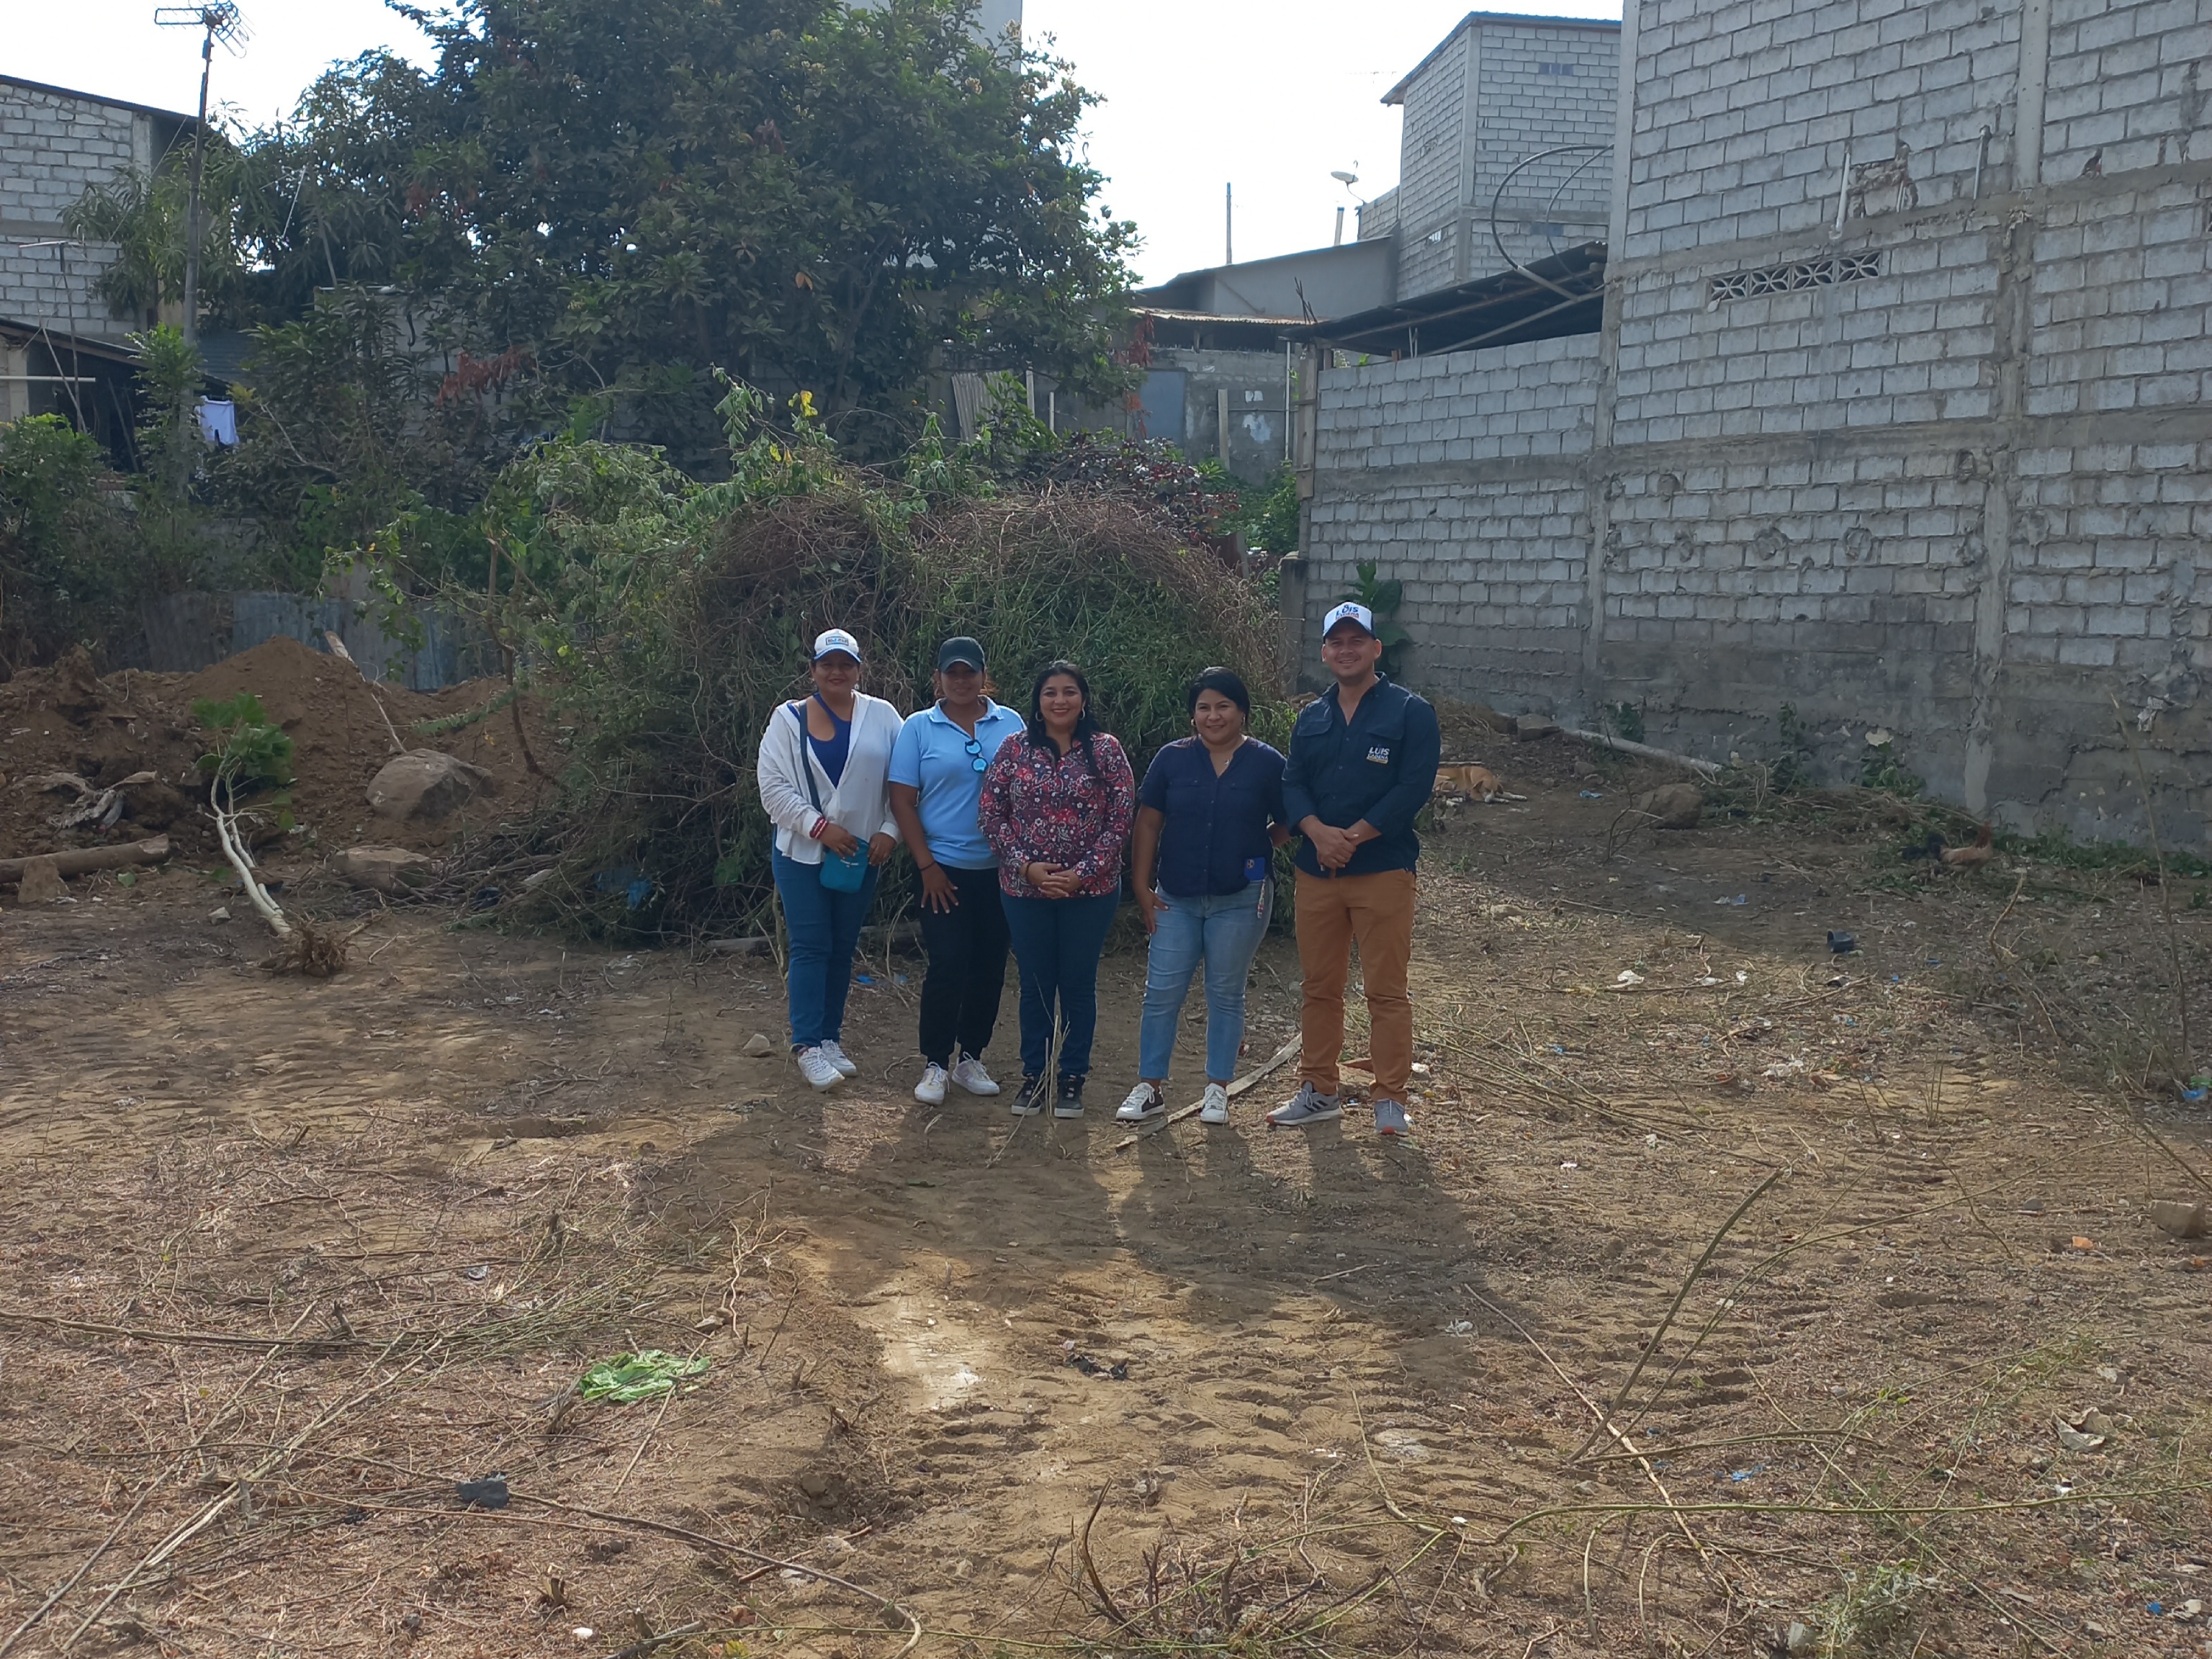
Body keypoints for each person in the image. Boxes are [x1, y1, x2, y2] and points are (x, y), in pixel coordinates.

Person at [1268, 601, 1439, 1138]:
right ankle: (1319, 1090)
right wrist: (1318, 833)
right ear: (1324, 652)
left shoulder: (1410, 713)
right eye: (1336, 642)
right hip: (1318, 873)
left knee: (1386, 991)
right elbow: (1293, 783)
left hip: (1382, 870)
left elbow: (1412, 787)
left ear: (1375, 648)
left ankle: (1390, 1098)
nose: (1346, 651)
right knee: (1320, 987)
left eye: (1356, 640)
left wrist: (1355, 837)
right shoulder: (1311, 718)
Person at [1116, 668, 1289, 1128]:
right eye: (1204, 707)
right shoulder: (1172, 760)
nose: (1214, 716)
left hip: (1241, 897)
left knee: (1225, 992)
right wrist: (1141, 886)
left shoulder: (1266, 763)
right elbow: (1148, 821)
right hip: (1176, 896)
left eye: (1223, 706)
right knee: (1162, 992)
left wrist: (1259, 848)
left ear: (1242, 712)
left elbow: (1291, 818)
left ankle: (1217, 1090)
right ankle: (1150, 1087)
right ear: (1193, 716)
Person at [977, 660, 1135, 1119]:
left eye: (1069, 692)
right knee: (1035, 984)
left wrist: (1083, 872)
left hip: (1091, 892)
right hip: (1025, 891)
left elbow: (1121, 818)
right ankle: (1036, 1075)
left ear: (1083, 699)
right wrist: (1026, 868)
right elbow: (991, 814)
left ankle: (1071, 1078)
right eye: (1050, 693)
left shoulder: (1105, 750)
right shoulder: (1014, 749)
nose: (1060, 700)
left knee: (1078, 983)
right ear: (1038, 701)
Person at [755, 628, 904, 1091]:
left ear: (859, 669)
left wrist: (890, 831)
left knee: (842, 947)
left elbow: (905, 781)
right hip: (801, 852)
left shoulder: (884, 717)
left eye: (845, 664)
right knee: (811, 945)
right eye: (827, 664)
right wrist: (819, 828)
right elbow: (772, 787)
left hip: (859, 856)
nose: (836, 672)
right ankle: (807, 1045)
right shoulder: (787, 719)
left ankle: (830, 1037)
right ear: (813, 670)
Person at [887, 637, 1027, 1106]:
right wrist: (926, 864)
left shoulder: (1010, 723)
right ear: (938, 678)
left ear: (984, 675)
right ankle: (935, 1062)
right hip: (942, 869)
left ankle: (970, 1058)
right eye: (953, 673)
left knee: (989, 966)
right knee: (948, 964)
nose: (962, 681)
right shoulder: (918, 728)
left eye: (970, 672)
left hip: (1000, 870)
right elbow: (902, 801)